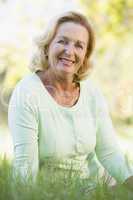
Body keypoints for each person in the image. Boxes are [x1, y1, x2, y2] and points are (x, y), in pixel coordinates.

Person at [8, 11, 133, 190]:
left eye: (79, 46)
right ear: (47, 46)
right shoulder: (26, 93)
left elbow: (109, 152)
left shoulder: (92, 93)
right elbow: (25, 166)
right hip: (52, 192)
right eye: (62, 41)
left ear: (85, 57)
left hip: (96, 188)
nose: (70, 51)